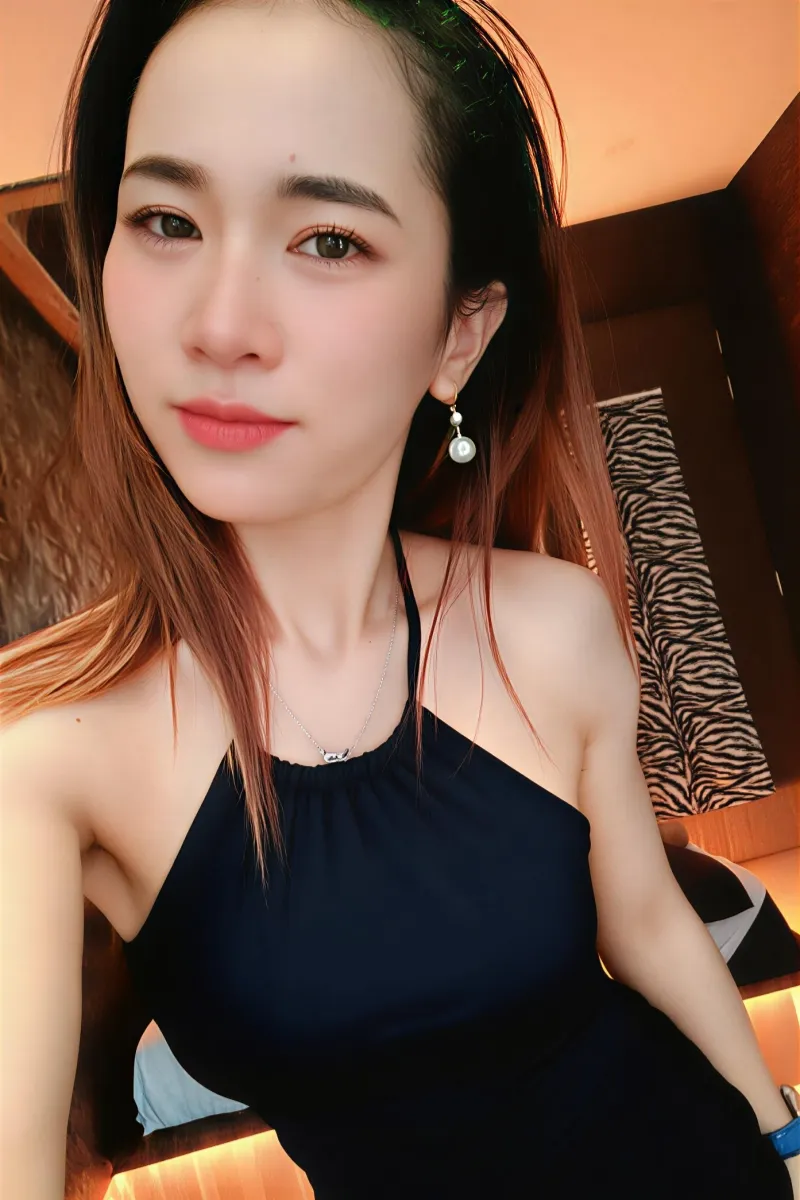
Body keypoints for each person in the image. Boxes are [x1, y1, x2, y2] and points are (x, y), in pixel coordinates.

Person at [1, 1, 797, 1197]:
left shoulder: (550, 624)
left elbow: (643, 922)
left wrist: (778, 1139)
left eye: (327, 240)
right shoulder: (48, 758)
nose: (217, 326)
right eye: (166, 221)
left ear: (458, 338)